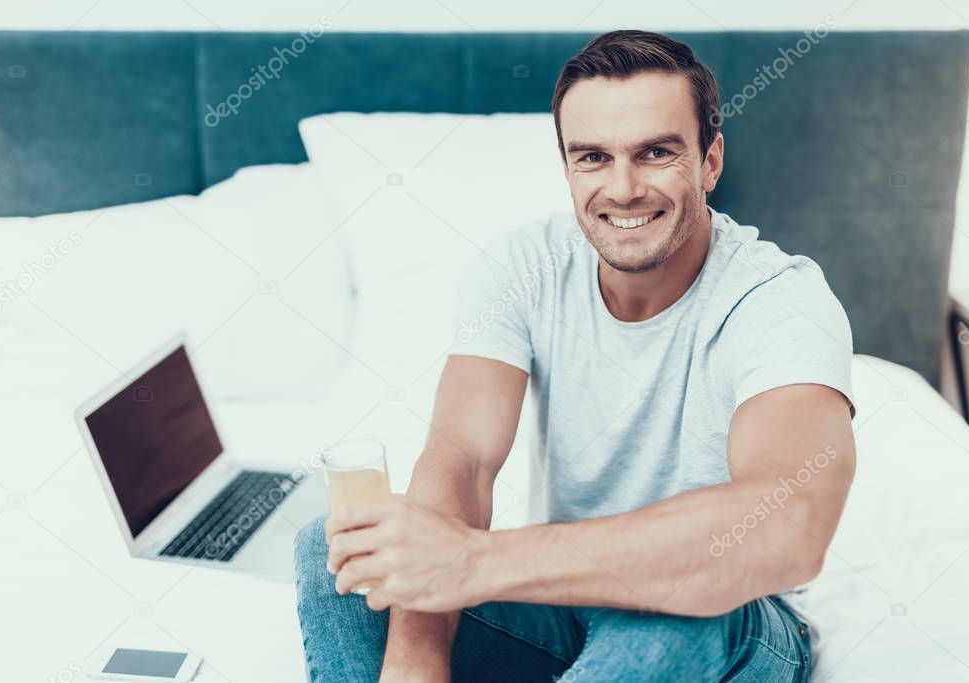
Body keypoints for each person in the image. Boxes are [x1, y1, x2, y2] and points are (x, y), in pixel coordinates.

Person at [295, 29, 855, 682]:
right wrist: (415, 656)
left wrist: (470, 562)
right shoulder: (521, 267)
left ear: (709, 161)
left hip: (733, 621)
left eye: (654, 152)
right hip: (564, 602)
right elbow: (464, 464)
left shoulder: (778, 300)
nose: (622, 188)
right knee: (337, 548)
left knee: (676, 608)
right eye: (592, 157)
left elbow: (787, 525)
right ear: (565, 167)